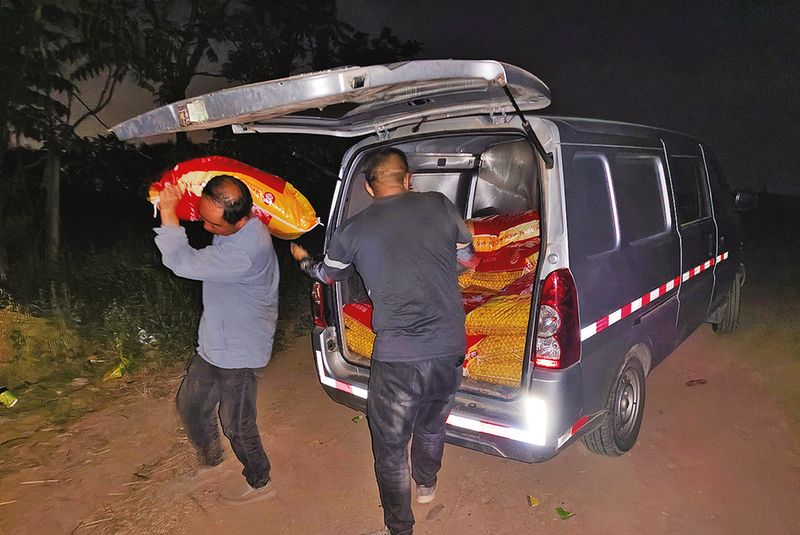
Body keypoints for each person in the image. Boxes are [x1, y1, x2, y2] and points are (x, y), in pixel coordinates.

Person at [291, 148, 477, 535]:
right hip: (449, 346)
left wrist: (303, 259)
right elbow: (468, 259)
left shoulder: (353, 229)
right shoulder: (440, 205)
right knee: (432, 425)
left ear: (368, 187)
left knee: (391, 449)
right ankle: (427, 484)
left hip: (398, 357)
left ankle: (400, 529)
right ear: (407, 179)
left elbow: (327, 275)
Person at [155, 175, 280, 505]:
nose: (206, 228)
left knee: (236, 424)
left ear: (241, 220)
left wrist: (168, 212)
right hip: (216, 339)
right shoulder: (239, 226)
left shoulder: (246, 251)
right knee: (191, 405)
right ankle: (212, 459)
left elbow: (180, 262)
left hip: (240, 347)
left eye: (213, 225)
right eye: (204, 218)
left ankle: (260, 481)